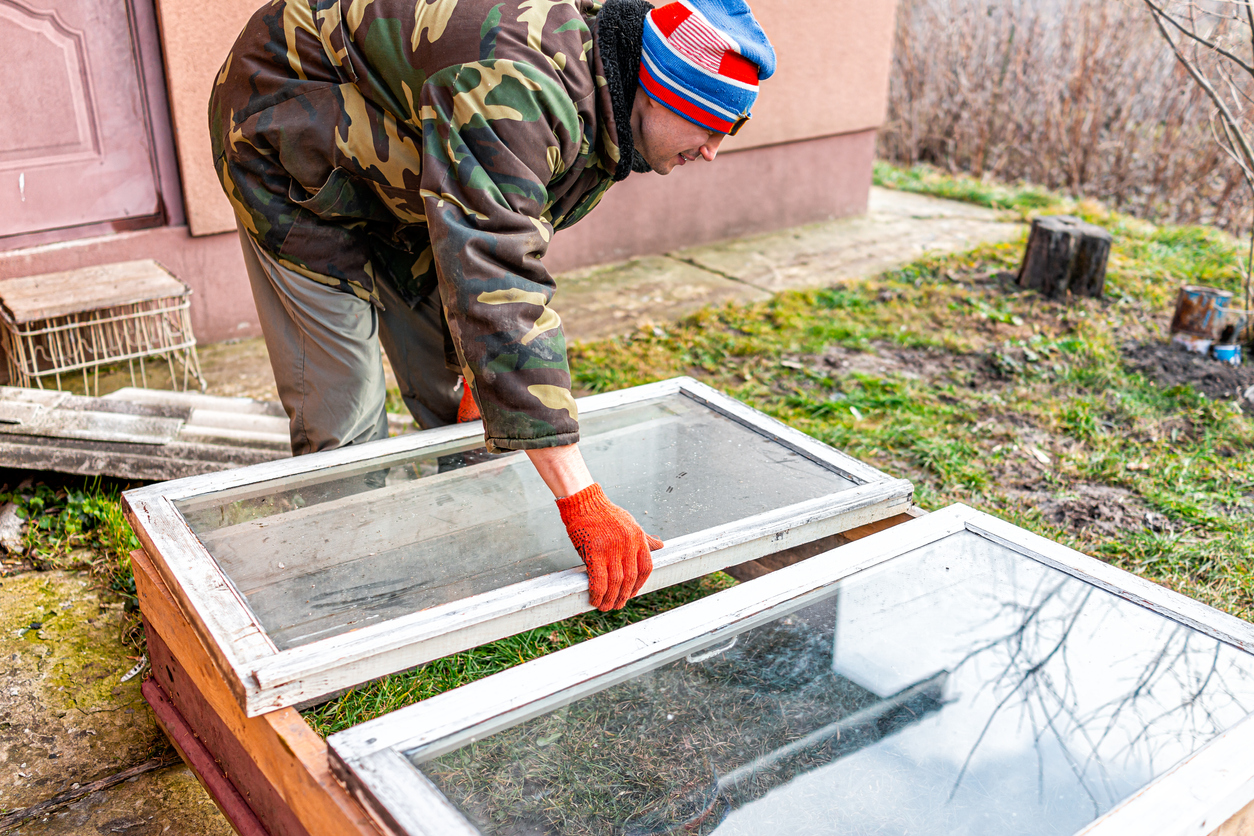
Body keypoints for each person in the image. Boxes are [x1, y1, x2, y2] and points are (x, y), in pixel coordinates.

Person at [210, 0, 776, 611]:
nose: (715, 150)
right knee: (343, 410)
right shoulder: (524, 86)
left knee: (452, 385)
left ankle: (468, 544)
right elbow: (497, 275)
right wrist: (581, 500)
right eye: (710, 125)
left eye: (732, 130)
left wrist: (491, 377)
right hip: (289, 139)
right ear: (658, 90)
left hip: (415, 165)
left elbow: (503, 240)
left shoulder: (608, 96)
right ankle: (348, 601)